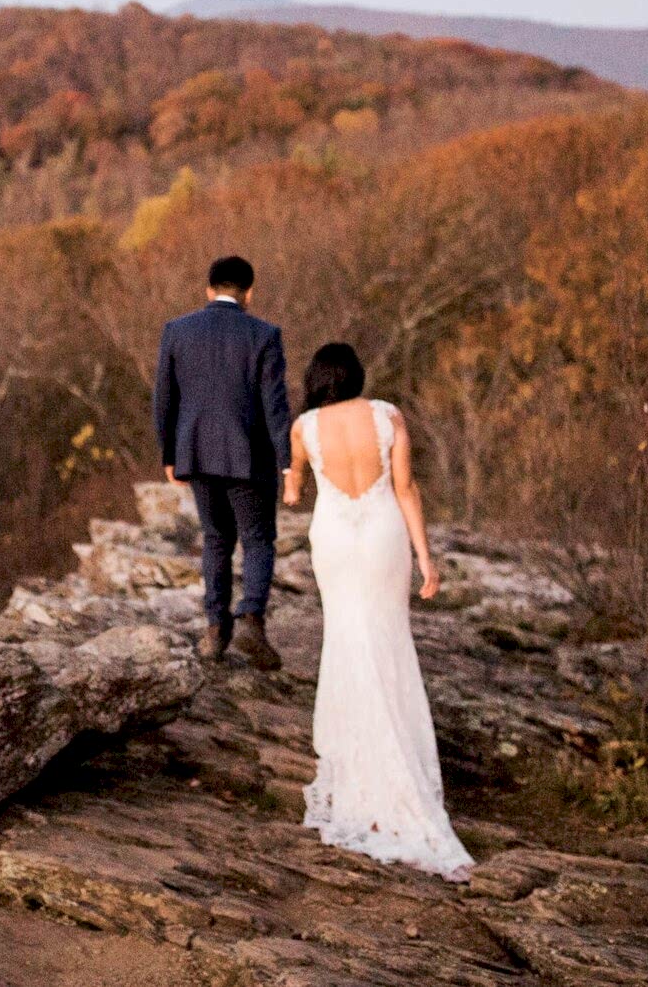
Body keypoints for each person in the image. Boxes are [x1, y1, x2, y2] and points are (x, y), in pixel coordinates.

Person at [284, 340, 473, 879]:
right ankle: (402, 773)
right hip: (385, 533)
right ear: (357, 374)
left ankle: (359, 774)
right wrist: (426, 560)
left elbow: (295, 490)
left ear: (318, 379)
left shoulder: (305, 427)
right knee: (388, 641)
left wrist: (291, 480)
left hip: (336, 541)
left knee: (346, 641)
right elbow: (407, 488)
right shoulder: (388, 415)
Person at [153, 254, 292, 668]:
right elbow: (275, 405)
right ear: (250, 292)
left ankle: (215, 628)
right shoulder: (264, 335)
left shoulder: (177, 331)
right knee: (257, 537)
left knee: (215, 538)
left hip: (194, 451)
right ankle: (251, 615)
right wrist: (288, 462)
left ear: (208, 289)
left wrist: (169, 454)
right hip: (249, 454)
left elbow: (164, 398)